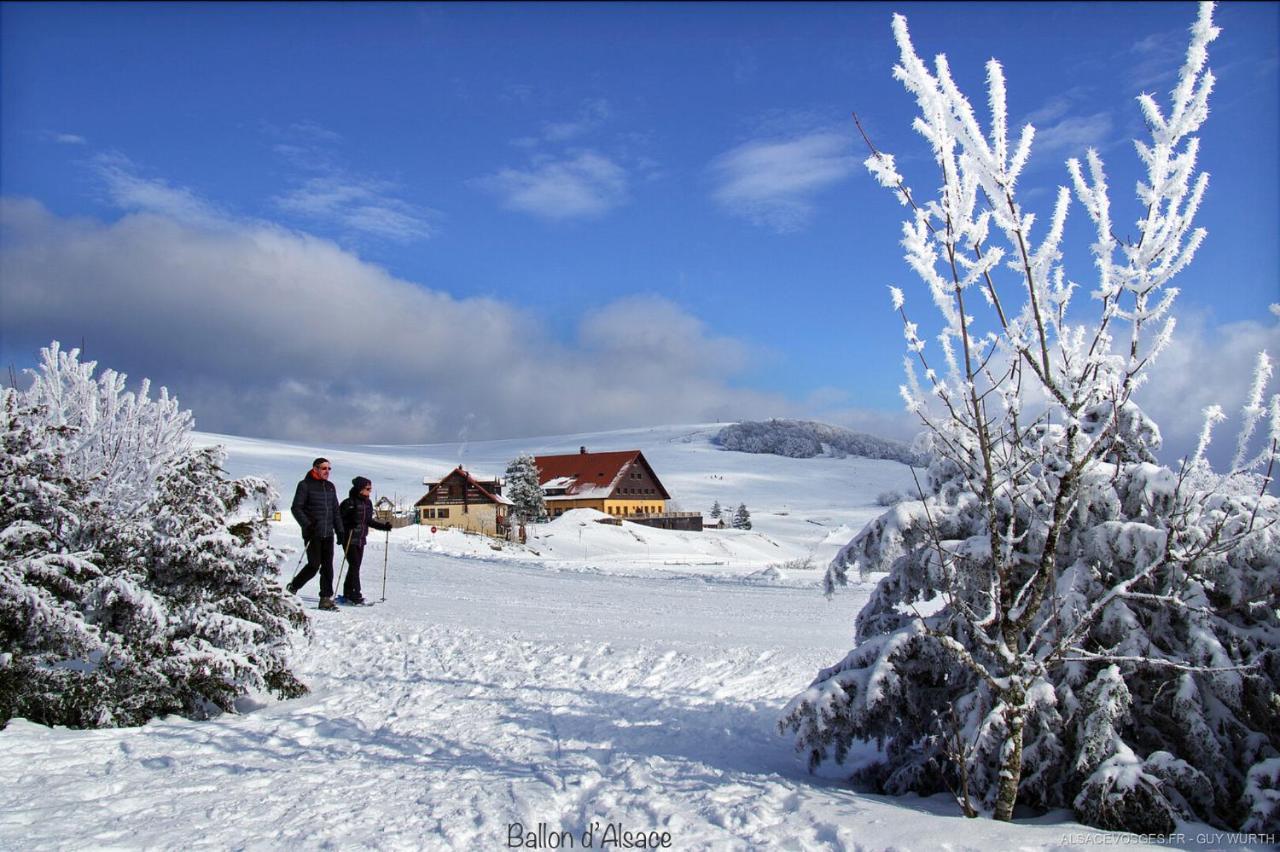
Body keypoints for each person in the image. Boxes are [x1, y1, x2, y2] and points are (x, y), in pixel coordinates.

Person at [288, 457, 345, 611]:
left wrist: (340, 530)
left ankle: (325, 599)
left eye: (329, 469)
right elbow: (296, 508)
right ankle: (293, 587)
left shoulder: (330, 487)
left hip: (328, 533)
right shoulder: (305, 485)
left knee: (327, 566)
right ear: (315, 469)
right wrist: (307, 525)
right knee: (313, 565)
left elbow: (335, 511)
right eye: (324, 468)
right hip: (313, 533)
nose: (327, 471)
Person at [338, 476, 393, 605]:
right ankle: (355, 595)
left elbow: (368, 521)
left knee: (355, 567)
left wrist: (383, 527)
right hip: (349, 538)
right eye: (367, 489)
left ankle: (348, 592)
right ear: (360, 489)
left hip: (361, 538)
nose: (370, 491)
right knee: (354, 566)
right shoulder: (348, 503)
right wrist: (347, 525)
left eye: (370, 488)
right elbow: (338, 520)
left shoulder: (367, 503)